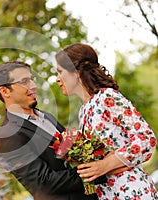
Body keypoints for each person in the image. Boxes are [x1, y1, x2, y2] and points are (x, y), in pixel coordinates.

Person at [0, 61, 105, 200]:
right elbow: (44, 182)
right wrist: (97, 171)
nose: (33, 85)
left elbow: (70, 153)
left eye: (32, 79)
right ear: (5, 91)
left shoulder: (47, 117)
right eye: (24, 81)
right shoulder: (7, 136)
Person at [55, 43, 158, 199]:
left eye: (60, 72)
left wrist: (104, 166)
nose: (57, 79)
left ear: (76, 72)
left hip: (130, 192)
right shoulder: (84, 111)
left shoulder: (107, 97)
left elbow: (146, 138)